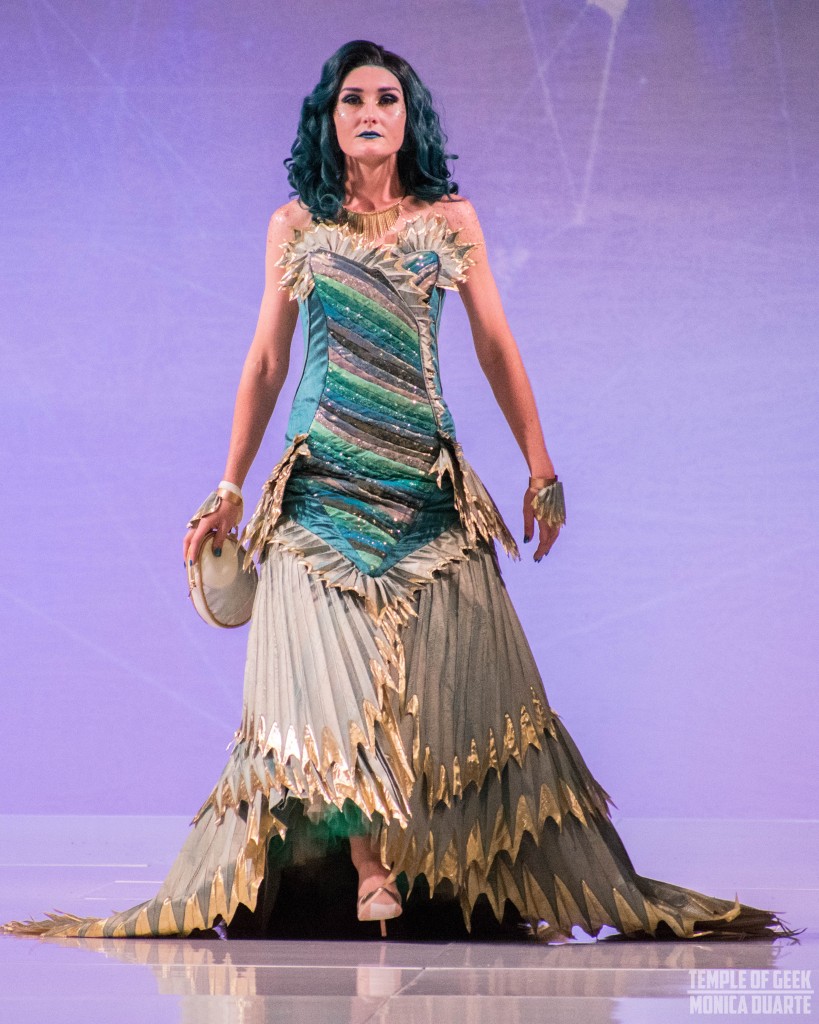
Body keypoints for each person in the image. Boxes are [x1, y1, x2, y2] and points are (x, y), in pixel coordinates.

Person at [3, 40, 797, 943]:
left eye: (387, 98)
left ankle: (444, 875)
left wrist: (539, 465)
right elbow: (265, 362)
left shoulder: (450, 220)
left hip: (425, 490)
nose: (370, 111)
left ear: (408, 118)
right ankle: (367, 867)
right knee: (330, 696)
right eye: (353, 99)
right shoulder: (294, 226)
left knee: (453, 697)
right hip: (319, 489)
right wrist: (228, 484)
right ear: (329, 120)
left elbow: (494, 345)